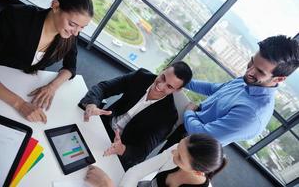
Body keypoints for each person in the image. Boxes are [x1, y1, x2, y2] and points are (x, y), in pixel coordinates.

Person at [161, 35, 299, 150]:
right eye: (252, 62)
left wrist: (189, 112)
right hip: (188, 124)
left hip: (193, 149)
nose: (249, 71)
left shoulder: (253, 115)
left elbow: (203, 135)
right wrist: (182, 81)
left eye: (260, 71)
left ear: (279, 78)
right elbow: (214, 89)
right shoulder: (248, 81)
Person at [0, 0, 93, 123]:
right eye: (73, 24)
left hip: (23, 86)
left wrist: (52, 86)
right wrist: (20, 104)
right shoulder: (16, 16)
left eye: (82, 28)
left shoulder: (68, 34)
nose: (76, 32)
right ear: (55, 6)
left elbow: (70, 67)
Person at [79, 61, 192, 170]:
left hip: (118, 148)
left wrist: (121, 149)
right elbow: (104, 87)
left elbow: (141, 152)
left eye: (169, 86)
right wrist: (92, 104)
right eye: (163, 77)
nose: (160, 86)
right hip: (103, 125)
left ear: (177, 90)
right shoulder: (141, 76)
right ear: (164, 69)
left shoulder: (168, 117)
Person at [85, 134, 227, 187]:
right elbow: (136, 172)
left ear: (197, 172)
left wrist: (107, 185)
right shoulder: (181, 149)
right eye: (180, 144)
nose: (173, 152)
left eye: (179, 157)